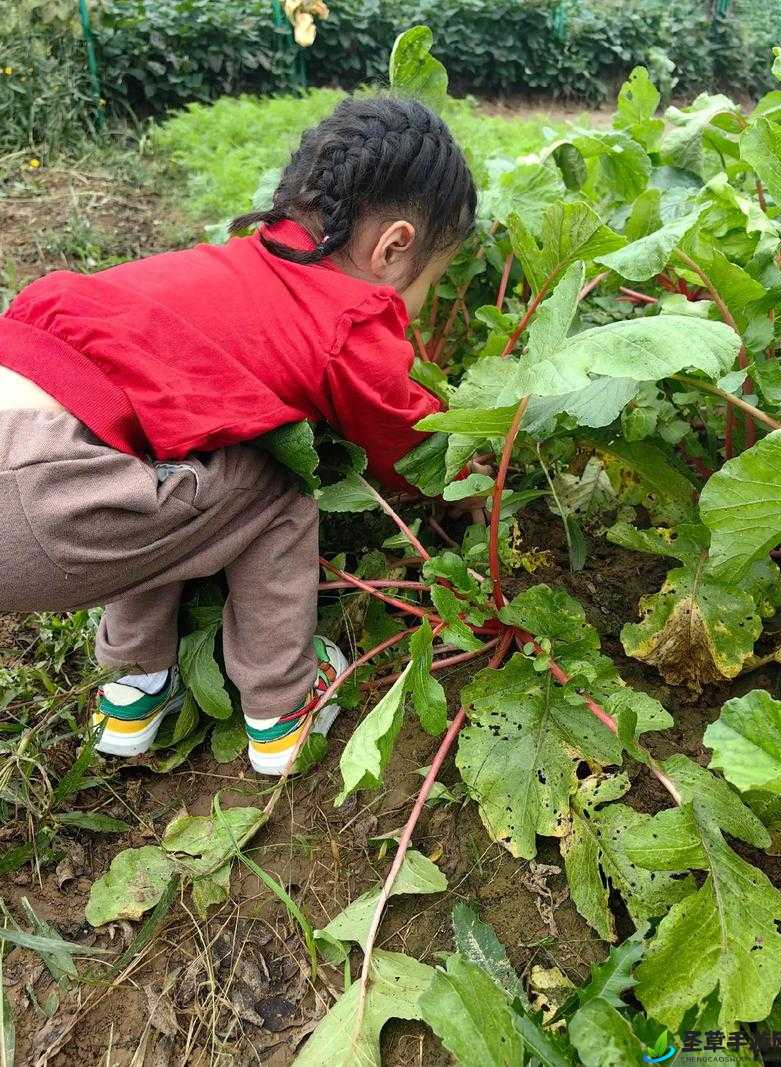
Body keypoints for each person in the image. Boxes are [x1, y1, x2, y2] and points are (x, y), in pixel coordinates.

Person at [0, 95, 477, 774]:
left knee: (165, 450)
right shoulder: (348, 317)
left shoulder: (234, 269)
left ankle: (134, 693)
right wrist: (472, 487)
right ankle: (283, 710)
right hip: (42, 497)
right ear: (394, 247)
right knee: (278, 481)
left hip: (23, 416)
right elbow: (414, 447)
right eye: (432, 279)